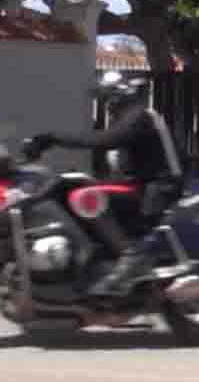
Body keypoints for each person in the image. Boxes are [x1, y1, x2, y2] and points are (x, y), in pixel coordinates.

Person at [26, 71, 186, 297]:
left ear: (118, 96)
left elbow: (105, 139)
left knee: (86, 198)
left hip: (159, 188)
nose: (106, 106)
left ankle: (131, 255)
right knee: (78, 188)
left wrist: (53, 139)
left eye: (107, 99)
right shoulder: (130, 119)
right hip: (144, 186)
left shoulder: (139, 116)